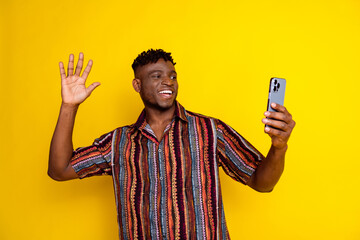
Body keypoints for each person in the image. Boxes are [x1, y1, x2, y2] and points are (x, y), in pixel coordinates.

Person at [48, 49, 295, 239]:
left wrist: (279, 147)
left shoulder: (211, 131)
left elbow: (262, 183)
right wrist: (69, 106)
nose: (168, 82)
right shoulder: (117, 142)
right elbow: (59, 170)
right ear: (137, 85)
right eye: (156, 76)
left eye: (172, 76)